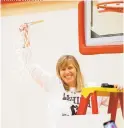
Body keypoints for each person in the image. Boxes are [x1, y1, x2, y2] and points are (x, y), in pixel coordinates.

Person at [18, 23, 123, 117]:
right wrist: (25, 38)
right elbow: (30, 65)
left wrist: (119, 91)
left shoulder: (92, 89)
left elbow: (118, 104)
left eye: (70, 68)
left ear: (76, 69)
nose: (67, 72)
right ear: (59, 73)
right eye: (63, 69)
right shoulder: (53, 84)